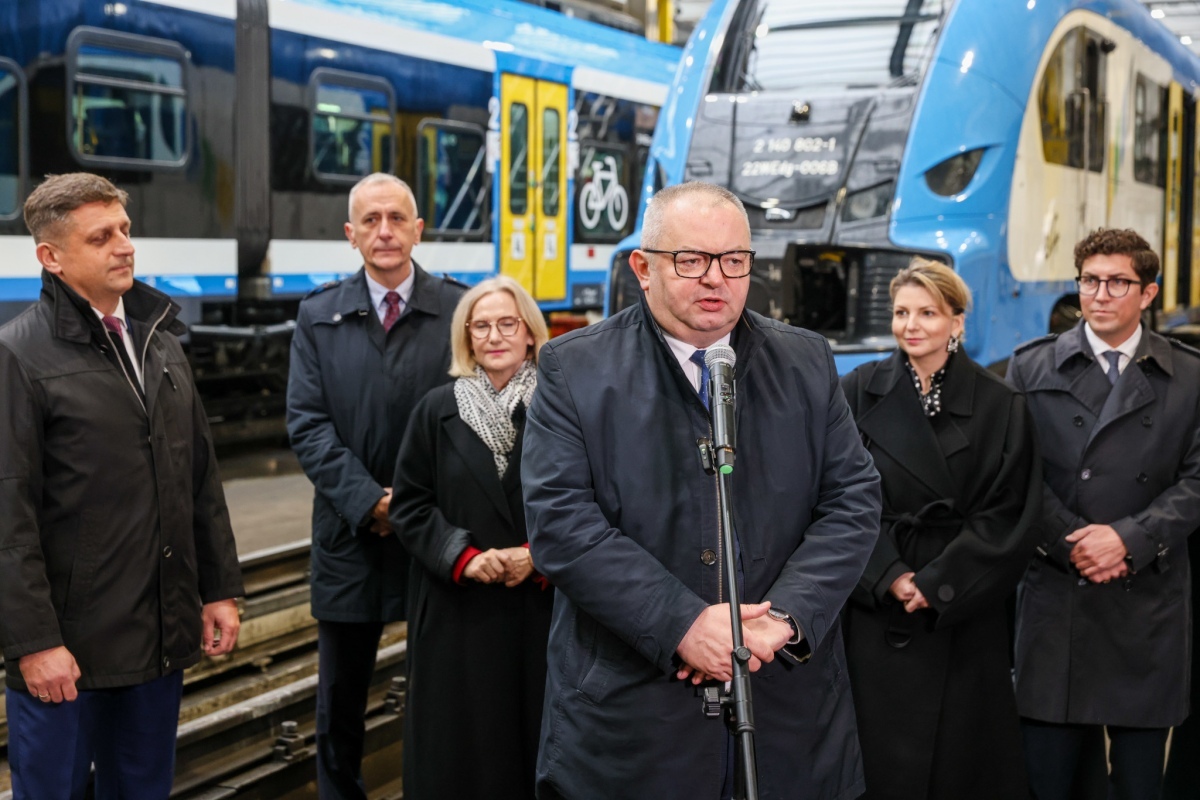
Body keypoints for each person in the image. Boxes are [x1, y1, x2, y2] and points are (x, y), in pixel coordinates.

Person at [521, 181, 882, 799]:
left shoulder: (806, 361)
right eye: (691, 260)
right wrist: (682, 623)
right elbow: (562, 524)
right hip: (633, 724)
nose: (716, 279)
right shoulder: (573, 369)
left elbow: (852, 499)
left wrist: (784, 618)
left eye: (734, 260)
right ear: (643, 268)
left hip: (785, 712)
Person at [0, 172, 243, 800]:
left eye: (125, 230)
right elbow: (7, 513)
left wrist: (218, 588)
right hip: (67, 653)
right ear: (51, 257)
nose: (125, 246)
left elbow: (198, 476)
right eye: (101, 236)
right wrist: (35, 643)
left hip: (156, 635)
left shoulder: (159, 339)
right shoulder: (18, 356)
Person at [286, 172, 465, 799]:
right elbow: (307, 424)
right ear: (351, 234)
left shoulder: (458, 309)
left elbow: (474, 413)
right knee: (340, 696)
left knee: (442, 686)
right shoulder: (318, 314)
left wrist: (412, 507)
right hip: (349, 533)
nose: (384, 231)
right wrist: (369, 501)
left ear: (419, 229)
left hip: (437, 530)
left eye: (396, 218)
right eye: (370, 220)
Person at [1009, 228, 1200, 800]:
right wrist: (1074, 543)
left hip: (1147, 596)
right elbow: (1015, 475)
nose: (1100, 294)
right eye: (1090, 280)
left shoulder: (1190, 375)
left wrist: (1129, 540)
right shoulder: (1031, 367)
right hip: (1058, 595)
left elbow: (1197, 480)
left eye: (1118, 282)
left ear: (1148, 293)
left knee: (1141, 783)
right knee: (1047, 781)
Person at [839, 258, 1040, 800]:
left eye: (927, 313)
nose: (911, 325)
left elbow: (1009, 512)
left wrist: (938, 584)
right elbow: (836, 497)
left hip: (962, 608)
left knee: (961, 761)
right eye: (901, 312)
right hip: (877, 603)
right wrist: (889, 576)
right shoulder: (856, 391)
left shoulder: (1001, 404)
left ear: (957, 321)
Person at [391, 275, 553, 799]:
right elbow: (410, 505)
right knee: (458, 753)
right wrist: (461, 556)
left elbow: (595, 498)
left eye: (507, 323)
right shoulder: (435, 410)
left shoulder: (562, 406)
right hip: (457, 613)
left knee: (535, 744)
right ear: (466, 337)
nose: (494, 336)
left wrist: (538, 555)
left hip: (541, 609)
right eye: (480, 326)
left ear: (529, 332)